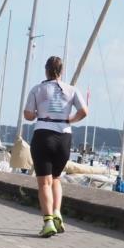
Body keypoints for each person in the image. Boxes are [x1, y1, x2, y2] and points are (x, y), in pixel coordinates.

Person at [23, 56, 88, 238]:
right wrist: (71, 119)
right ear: (61, 71)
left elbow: (28, 115)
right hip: (64, 136)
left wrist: (37, 113)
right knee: (57, 178)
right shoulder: (72, 90)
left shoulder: (37, 89)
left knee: (44, 182)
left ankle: (48, 221)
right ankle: (57, 211)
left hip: (43, 133)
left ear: (46, 70)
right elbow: (84, 111)